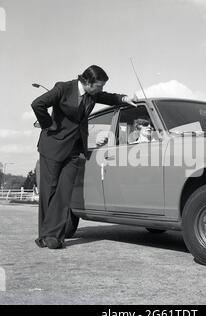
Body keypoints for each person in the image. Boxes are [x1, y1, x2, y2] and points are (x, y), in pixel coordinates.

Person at [31, 65, 136, 249]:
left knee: (64, 193)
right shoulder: (63, 88)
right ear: (87, 82)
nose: (101, 89)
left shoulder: (93, 94)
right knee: (49, 191)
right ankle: (45, 235)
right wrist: (49, 125)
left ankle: (54, 237)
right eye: (99, 85)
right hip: (52, 148)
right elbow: (37, 104)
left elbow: (109, 97)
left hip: (74, 149)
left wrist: (124, 98)